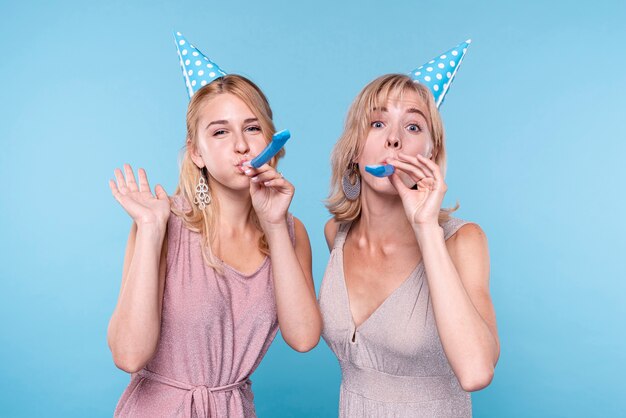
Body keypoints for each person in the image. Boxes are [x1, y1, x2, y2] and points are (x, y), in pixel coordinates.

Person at [108, 33, 321, 417]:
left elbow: (304, 338)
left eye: (253, 128)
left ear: (271, 140)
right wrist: (152, 232)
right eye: (220, 132)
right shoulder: (162, 221)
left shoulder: (290, 231)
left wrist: (274, 226)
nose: (241, 145)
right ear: (197, 152)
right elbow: (128, 354)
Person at [319, 41, 499, 417]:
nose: (394, 139)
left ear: (430, 155)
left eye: (412, 126)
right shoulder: (335, 234)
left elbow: (476, 371)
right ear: (355, 149)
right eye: (378, 123)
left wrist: (426, 228)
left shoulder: (463, 241)